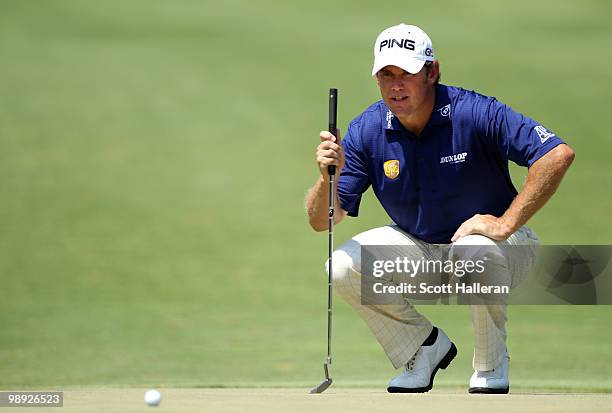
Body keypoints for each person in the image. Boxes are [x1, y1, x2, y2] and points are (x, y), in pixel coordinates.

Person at [305, 23, 575, 394]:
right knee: (342, 267)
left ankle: (490, 364)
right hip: (424, 253)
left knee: (476, 248)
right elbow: (325, 220)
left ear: (432, 72)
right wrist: (325, 179)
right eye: (386, 75)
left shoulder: (474, 112)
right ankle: (423, 348)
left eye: (407, 74)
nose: (396, 85)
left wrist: (505, 223)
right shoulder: (366, 129)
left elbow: (556, 154)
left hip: (502, 251)